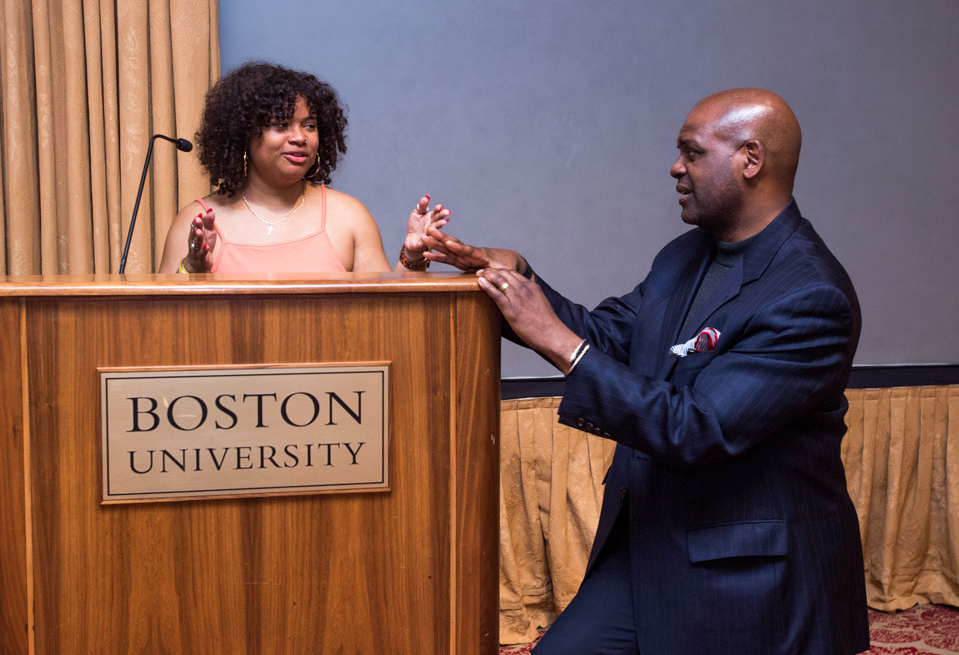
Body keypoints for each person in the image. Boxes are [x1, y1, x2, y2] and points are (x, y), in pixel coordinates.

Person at [424, 89, 870, 654]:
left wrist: (558, 342)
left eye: (692, 152)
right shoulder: (684, 255)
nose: (675, 167)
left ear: (750, 160)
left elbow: (697, 427)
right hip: (656, 540)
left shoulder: (811, 294)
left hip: (752, 573)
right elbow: (610, 336)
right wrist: (509, 273)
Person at [159, 62, 447, 274]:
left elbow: (390, 314)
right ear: (242, 134)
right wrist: (192, 268)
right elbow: (161, 324)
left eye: (309, 125)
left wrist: (412, 257)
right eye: (281, 125)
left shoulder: (349, 217)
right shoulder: (198, 219)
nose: (299, 137)